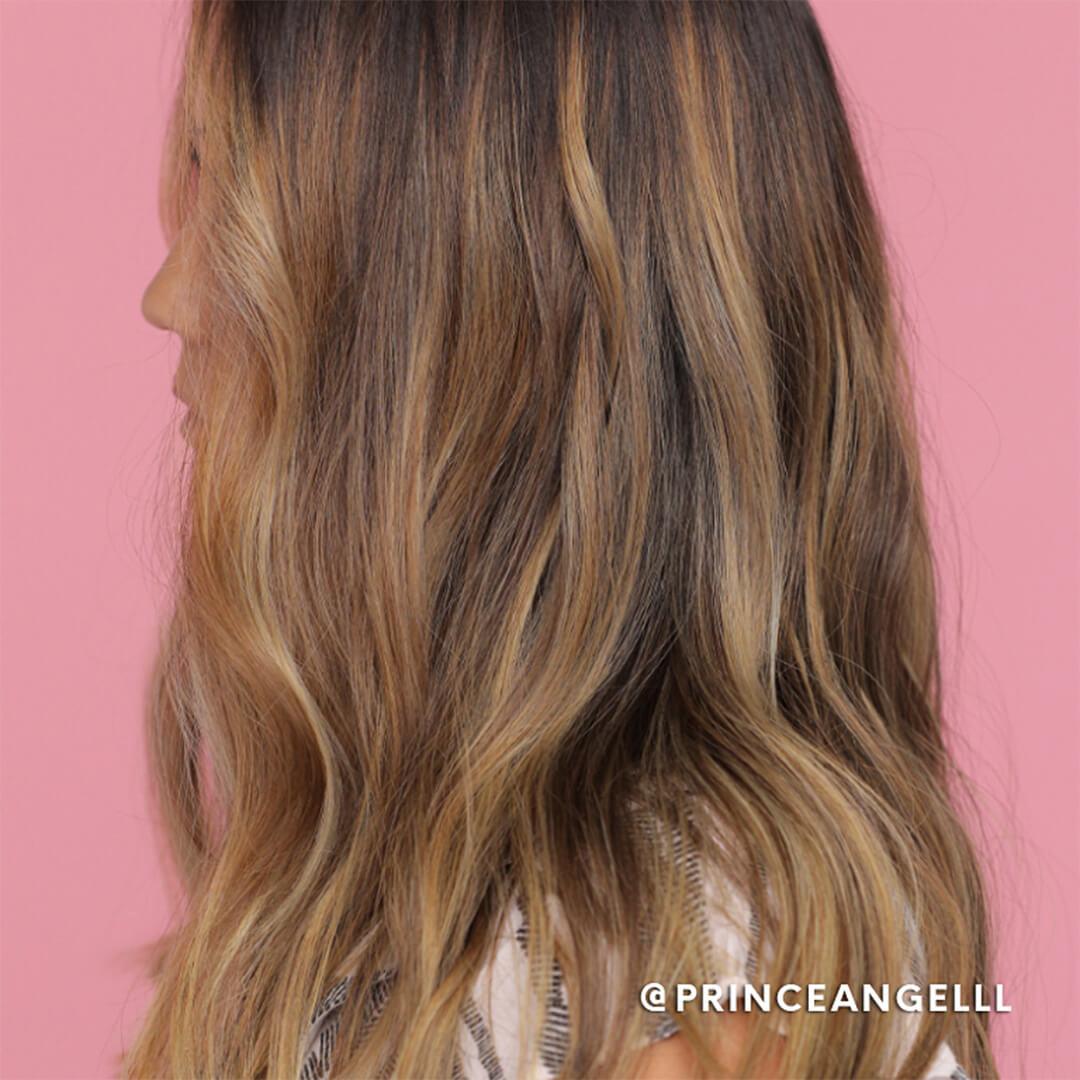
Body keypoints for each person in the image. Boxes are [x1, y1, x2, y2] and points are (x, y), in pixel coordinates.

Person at [131, 2, 995, 1076]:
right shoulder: (491, 927)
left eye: (236, 195)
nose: (168, 297)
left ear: (461, 320)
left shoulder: (682, 999)